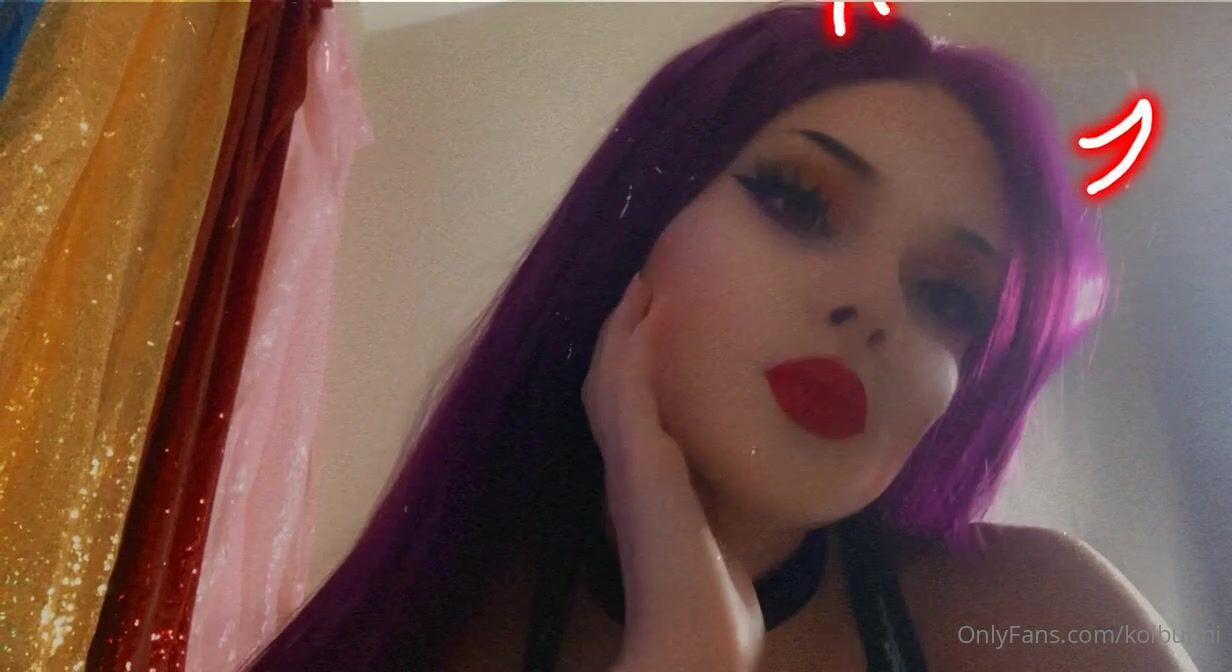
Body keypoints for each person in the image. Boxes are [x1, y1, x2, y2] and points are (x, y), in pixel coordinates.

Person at [241, 4, 1200, 671]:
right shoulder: (434, 630)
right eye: (799, 200)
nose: (874, 307)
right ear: (638, 225)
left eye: (949, 296)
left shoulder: (1042, 624)